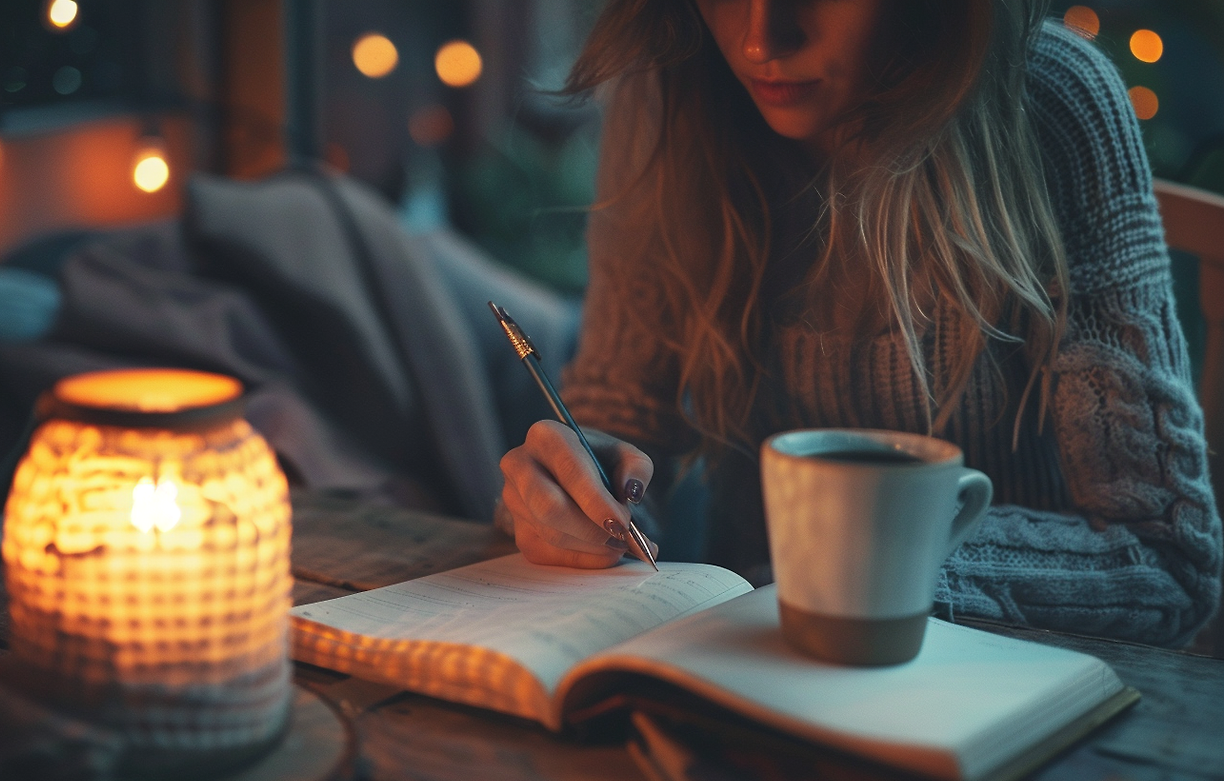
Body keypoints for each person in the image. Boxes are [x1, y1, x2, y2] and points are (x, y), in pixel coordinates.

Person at [496, 0, 1223, 647]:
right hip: (761, 679)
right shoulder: (670, 85)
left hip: (1022, 687)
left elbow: (1171, 562)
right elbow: (622, 431)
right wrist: (575, 502)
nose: (760, 39)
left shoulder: (1053, 105)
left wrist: (892, 569)